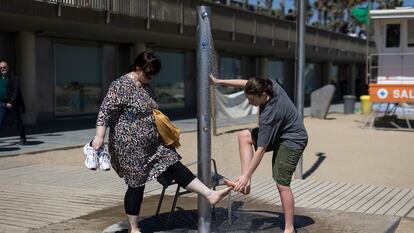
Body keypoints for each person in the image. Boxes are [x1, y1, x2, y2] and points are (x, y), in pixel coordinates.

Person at [91, 51, 231, 233]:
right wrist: (99, 136)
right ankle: (134, 228)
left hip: (153, 145)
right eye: (148, 73)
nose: (151, 77)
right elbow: (105, 111)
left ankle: (209, 194)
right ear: (138, 68)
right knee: (136, 184)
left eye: (154, 74)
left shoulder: (146, 85)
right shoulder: (121, 85)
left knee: (173, 163)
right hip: (129, 146)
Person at [210, 74, 308, 233]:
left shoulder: (268, 116)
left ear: (262, 95)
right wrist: (219, 82)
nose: (250, 103)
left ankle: (289, 228)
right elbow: (246, 83)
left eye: (252, 100)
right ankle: (245, 185)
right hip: (280, 133)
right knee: (244, 136)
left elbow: (260, 151)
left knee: (281, 183)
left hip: (293, 140)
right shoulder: (271, 85)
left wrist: (248, 174)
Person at [0, 61, 27, 145]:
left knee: (17, 121)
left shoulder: (14, 77)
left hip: (11, 104)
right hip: (2, 103)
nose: (2, 69)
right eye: (1, 68)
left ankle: (23, 138)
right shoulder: (0, 78)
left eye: (4, 67)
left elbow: (16, 90)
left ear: (7, 67)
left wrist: (11, 102)